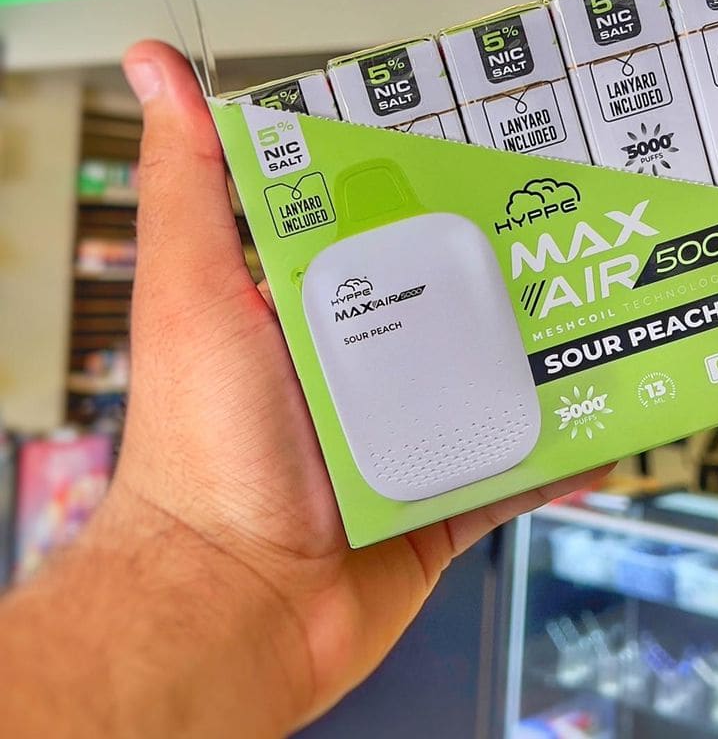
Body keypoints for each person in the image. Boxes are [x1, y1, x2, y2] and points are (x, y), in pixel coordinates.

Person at [0, 41, 608, 737]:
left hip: (457, 450)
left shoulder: (356, 265)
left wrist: (215, 554)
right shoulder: (416, 246)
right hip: (466, 444)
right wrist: (218, 552)